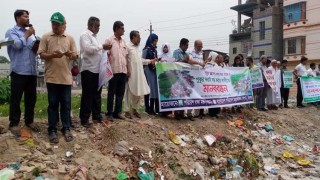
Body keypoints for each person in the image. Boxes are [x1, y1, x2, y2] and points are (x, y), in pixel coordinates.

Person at [38, 12, 78, 143]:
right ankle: (52, 130)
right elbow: (41, 54)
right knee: (53, 104)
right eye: (53, 23)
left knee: (66, 105)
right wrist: (52, 56)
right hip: (52, 77)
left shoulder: (70, 38)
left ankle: (66, 128)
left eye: (57, 24)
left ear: (64, 25)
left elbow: (75, 55)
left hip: (66, 77)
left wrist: (70, 54)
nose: (55, 26)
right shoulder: (46, 37)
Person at [5, 9, 39, 136]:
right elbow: (17, 46)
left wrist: (37, 44)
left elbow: (33, 50)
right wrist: (27, 35)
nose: (28, 19)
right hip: (18, 71)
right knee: (16, 99)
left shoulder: (29, 34)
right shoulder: (11, 32)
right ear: (17, 18)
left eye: (28, 16)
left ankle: (29, 121)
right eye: (25, 16)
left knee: (31, 98)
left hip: (31, 71)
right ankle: (13, 123)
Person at [79, 17, 112, 127]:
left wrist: (104, 50)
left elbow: (97, 50)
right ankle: (84, 119)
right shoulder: (85, 35)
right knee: (87, 95)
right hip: (88, 70)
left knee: (97, 94)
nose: (99, 28)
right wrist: (102, 46)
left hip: (97, 70)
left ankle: (96, 115)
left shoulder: (95, 37)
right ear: (91, 25)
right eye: (97, 25)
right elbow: (88, 49)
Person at [172, 38, 204, 120]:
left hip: (185, 77)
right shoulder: (176, 52)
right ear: (182, 45)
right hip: (178, 76)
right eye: (186, 45)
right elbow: (174, 63)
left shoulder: (186, 54)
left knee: (184, 94)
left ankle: (182, 113)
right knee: (178, 94)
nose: (187, 47)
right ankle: (177, 114)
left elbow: (188, 63)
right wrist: (184, 60)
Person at [124, 31, 152, 119]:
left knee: (138, 92)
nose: (140, 39)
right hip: (131, 73)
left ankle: (135, 109)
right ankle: (127, 111)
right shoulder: (127, 46)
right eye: (138, 37)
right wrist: (127, 70)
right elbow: (125, 59)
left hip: (139, 73)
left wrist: (150, 61)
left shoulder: (137, 48)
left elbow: (140, 60)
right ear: (133, 37)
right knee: (129, 92)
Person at [105, 21, 128, 120]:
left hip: (123, 71)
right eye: (122, 28)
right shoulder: (109, 40)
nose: (124, 30)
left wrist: (128, 70)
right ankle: (109, 113)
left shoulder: (123, 42)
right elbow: (105, 56)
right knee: (111, 93)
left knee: (120, 93)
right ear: (117, 29)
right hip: (113, 71)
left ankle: (117, 112)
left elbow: (125, 57)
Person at [142, 33, 159, 115]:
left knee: (154, 88)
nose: (156, 43)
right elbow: (143, 60)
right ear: (151, 40)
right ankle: (147, 107)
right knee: (148, 88)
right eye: (155, 41)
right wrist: (150, 62)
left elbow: (155, 59)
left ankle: (153, 108)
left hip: (154, 70)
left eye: (156, 41)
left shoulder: (155, 50)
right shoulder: (146, 49)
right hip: (147, 70)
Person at [189, 40, 204, 119]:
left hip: (199, 77)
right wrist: (199, 63)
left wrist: (204, 63)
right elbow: (190, 61)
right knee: (191, 94)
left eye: (201, 46)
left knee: (198, 94)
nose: (201, 47)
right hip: (191, 76)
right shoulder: (191, 51)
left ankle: (196, 114)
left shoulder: (201, 53)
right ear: (195, 45)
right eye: (199, 46)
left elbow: (202, 63)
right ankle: (189, 113)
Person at [207, 51, 223, 118]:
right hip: (212, 84)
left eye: (217, 58)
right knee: (212, 98)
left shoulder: (218, 65)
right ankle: (211, 113)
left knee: (217, 98)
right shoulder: (209, 65)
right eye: (216, 57)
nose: (217, 59)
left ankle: (217, 112)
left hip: (217, 84)